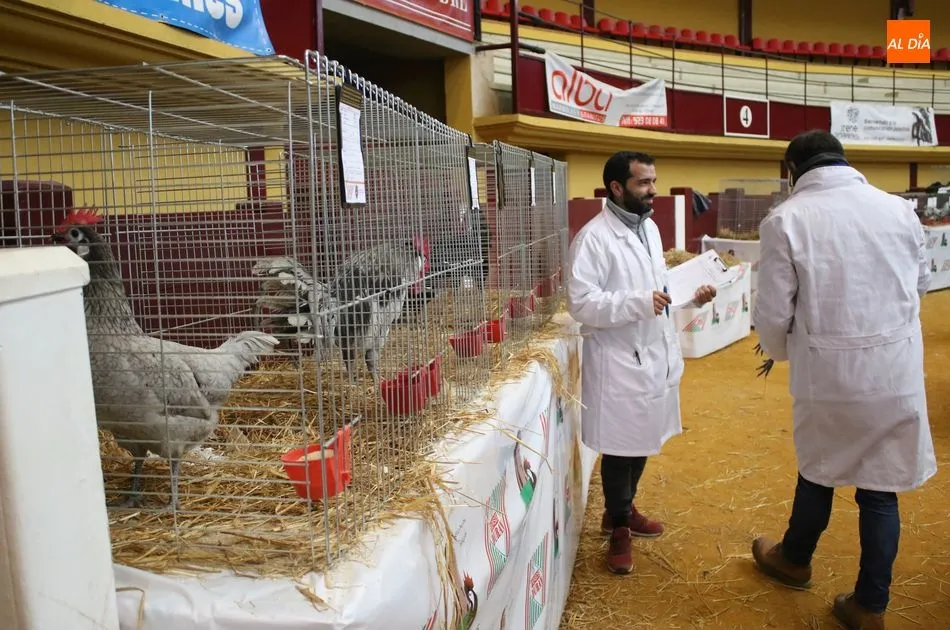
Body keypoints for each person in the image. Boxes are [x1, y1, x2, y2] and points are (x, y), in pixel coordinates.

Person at [752, 130, 936, 630]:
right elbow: (920, 281)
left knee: (819, 467)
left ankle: (794, 560)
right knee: (879, 489)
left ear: (792, 168)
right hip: (895, 370)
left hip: (829, 374)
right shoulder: (898, 210)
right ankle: (871, 607)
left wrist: (780, 351)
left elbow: (771, 312)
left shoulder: (786, 219)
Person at [567, 151, 716, 575]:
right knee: (620, 445)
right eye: (643, 183)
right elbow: (580, 303)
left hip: (652, 351)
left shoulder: (648, 228)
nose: (654, 191)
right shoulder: (593, 239)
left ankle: (622, 510)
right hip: (618, 357)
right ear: (617, 188)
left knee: (644, 437)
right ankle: (618, 527)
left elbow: (660, 286)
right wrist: (636, 303)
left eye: (653, 181)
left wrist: (691, 294)